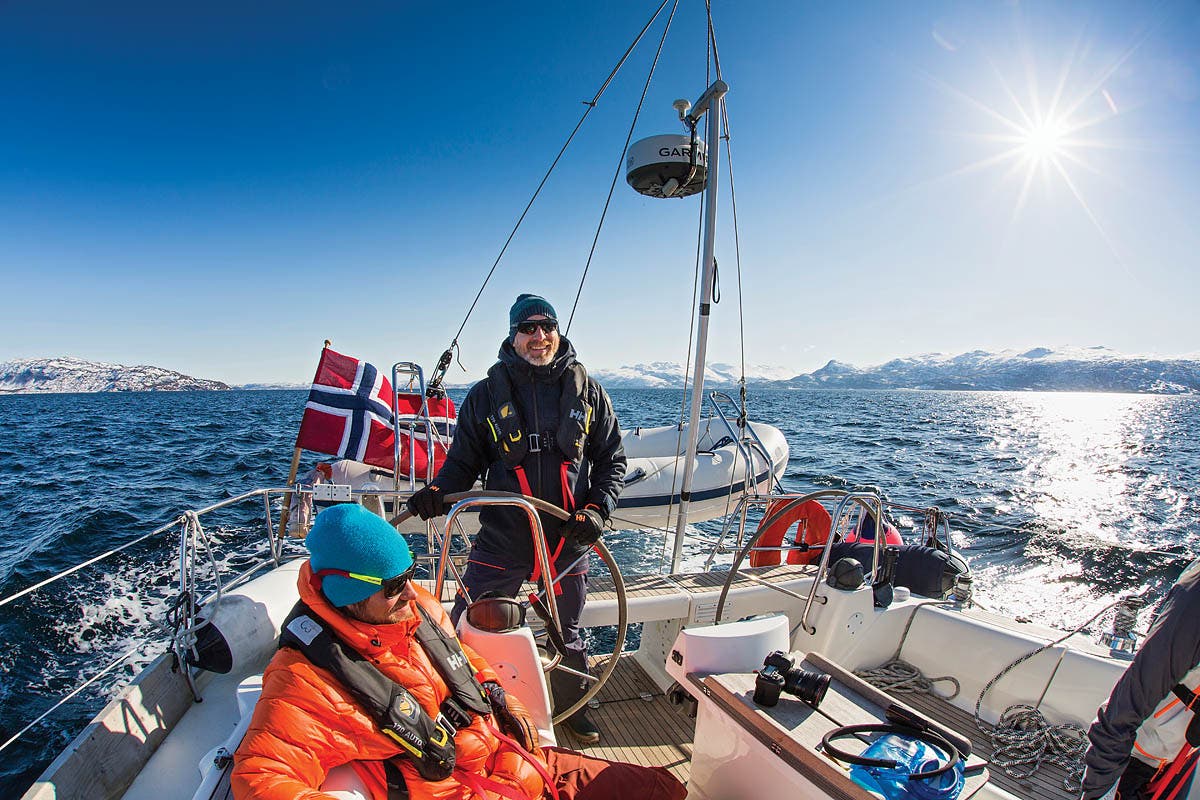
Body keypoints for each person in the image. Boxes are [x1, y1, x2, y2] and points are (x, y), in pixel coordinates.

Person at [232, 503, 685, 800]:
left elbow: (465, 664)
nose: (411, 593)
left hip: (519, 764)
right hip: (467, 789)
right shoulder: (304, 679)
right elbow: (259, 777)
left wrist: (504, 702)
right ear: (346, 591)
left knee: (663, 789)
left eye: (409, 575)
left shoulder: (419, 611)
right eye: (393, 586)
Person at [406, 294, 626, 745]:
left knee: (568, 630)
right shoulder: (486, 397)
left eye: (546, 327)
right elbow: (461, 465)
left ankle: (571, 707)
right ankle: (455, 705)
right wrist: (437, 493)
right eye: (528, 329)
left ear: (557, 331)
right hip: (504, 537)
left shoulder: (590, 394)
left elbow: (611, 460)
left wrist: (598, 509)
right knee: (468, 622)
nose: (539, 337)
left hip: (569, 538)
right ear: (513, 335)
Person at [1080, 558, 1200, 800]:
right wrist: (1099, 793)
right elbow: (1124, 709)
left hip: (1182, 761)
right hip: (1141, 767)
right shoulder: (1196, 599)